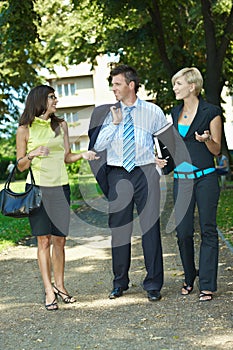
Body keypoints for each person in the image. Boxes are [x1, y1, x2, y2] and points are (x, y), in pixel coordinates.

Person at [89, 65, 168, 302]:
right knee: (120, 230)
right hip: (118, 174)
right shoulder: (109, 113)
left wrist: (160, 164)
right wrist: (115, 123)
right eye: (112, 85)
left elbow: (167, 142)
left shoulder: (153, 111)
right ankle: (119, 282)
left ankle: (153, 284)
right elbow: (98, 147)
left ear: (131, 85)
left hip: (145, 173)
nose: (113, 88)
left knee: (150, 228)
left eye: (117, 84)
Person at [16, 85, 98, 311]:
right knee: (43, 240)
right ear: (40, 100)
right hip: (38, 189)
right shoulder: (25, 129)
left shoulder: (61, 125)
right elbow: (20, 165)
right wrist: (32, 154)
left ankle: (61, 286)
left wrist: (83, 154)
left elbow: (67, 157)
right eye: (52, 97)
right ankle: (48, 290)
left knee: (60, 240)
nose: (56, 101)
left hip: (60, 188)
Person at [171, 67, 222, 302]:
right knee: (183, 233)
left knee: (208, 229)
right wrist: (164, 161)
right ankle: (189, 276)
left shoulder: (210, 112)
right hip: (181, 181)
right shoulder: (174, 113)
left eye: (178, 84)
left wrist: (207, 139)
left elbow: (217, 149)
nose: (175, 88)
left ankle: (208, 284)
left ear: (192, 86)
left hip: (205, 178)